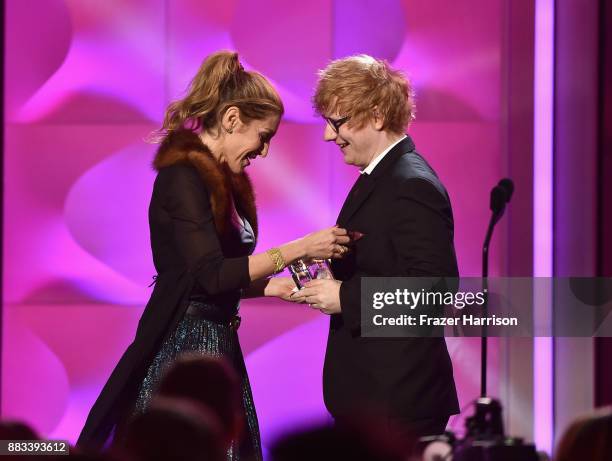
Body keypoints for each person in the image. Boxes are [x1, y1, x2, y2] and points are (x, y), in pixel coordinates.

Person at [77, 50, 351, 460]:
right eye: (264, 136)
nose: (264, 151)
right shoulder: (182, 177)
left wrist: (277, 288)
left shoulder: (226, 182)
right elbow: (209, 276)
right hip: (185, 347)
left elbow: (223, 276)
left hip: (217, 340)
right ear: (232, 120)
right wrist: (300, 248)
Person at [292, 55, 459, 437]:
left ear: (378, 115)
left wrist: (346, 298)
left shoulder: (410, 184)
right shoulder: (384, 176)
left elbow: (436, 290)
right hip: (375, 398)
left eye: (337, 123)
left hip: (396, 404)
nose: (328, 136)